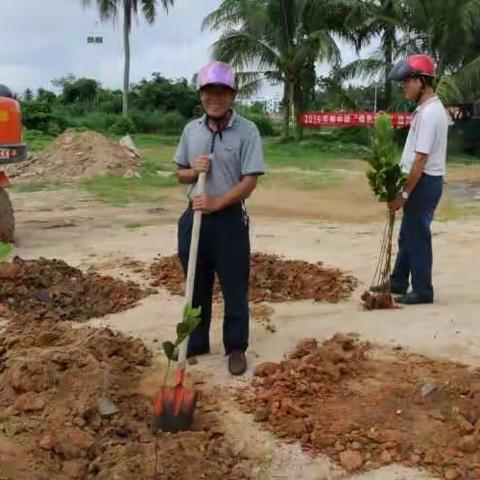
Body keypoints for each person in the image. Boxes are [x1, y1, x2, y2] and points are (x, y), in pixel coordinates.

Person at [174, 61, 264, 375]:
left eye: (222, 92)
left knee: (234, 287)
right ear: (201, 95)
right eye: (209, 92)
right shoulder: (191, 130)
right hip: (194, 218)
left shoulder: (247, 130)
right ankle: (196, 340)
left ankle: (235, 347)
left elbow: (250, 180)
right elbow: (180, 174)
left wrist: (217, 202)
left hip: (229, 222)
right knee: (195, 284)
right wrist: (193, 171)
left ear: (232, 95)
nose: (216, 98)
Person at [373, 54, 448, 304]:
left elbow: (420, 160)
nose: (404, 86)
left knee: (417, 235)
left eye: (408, 80)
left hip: (424, 182)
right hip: (422, 180)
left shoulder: (429, 114)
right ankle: (398, 281)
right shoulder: (426, 110)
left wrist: (404, 194)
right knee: (408, 235)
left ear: (422, 81)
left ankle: (423, 290)